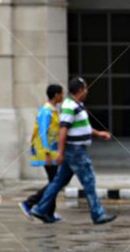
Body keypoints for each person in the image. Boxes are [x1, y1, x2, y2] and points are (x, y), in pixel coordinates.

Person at [30, 77, 116, 225]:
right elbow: (63, 129)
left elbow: (83, 127)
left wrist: (98, 133)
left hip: (75, 150)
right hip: (75, 151)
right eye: (86, 88)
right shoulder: (70, 106)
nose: (87, 91)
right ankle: (98, 214)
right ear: (80, 90)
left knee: (58, 182)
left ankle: (41, 209)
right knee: (89, 181)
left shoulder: (77, 105)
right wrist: (61, 152)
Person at [20, 84, 67, 220]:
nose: (63, 96)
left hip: (52, 152)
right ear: (56, 95)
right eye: (61, 94)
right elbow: (42, 133)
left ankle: (48, 213)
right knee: (55, 183)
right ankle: (28, 203)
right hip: (47, 153)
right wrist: (46, 152)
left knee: (54, 182)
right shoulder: (46, 112)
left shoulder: (53, 111)